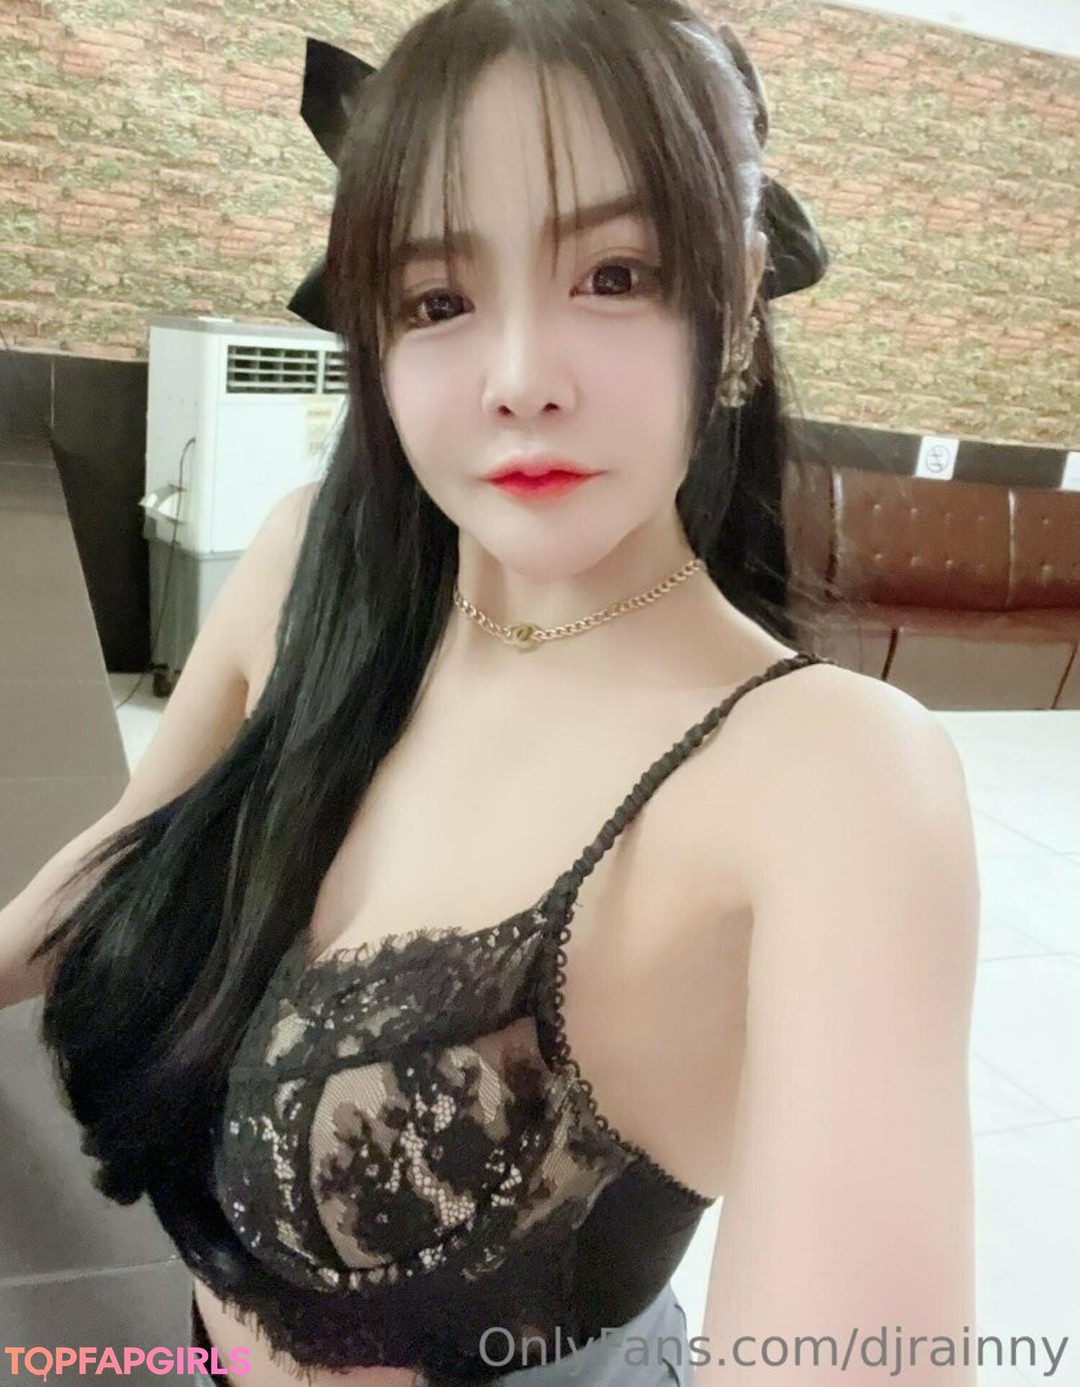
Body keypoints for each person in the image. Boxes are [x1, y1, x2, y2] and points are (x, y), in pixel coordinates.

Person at [0, 0, 980, 1383]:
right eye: (439, 301)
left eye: (617, 274)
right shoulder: (307, 572)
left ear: (739, 298)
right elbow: (126, 854)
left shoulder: (827, 779)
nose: (521, 379)